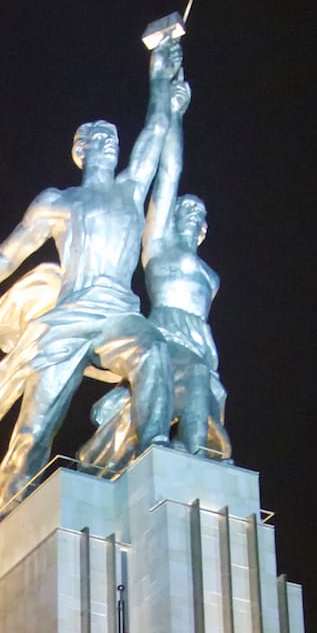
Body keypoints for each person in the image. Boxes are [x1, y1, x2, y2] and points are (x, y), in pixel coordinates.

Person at [0, 35, 181, 524]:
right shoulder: (57, 202)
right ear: (78, 152)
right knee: (35, 427)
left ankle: (155, 452)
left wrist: (161, 72)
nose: (105, 146)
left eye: (111, 141)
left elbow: (158, 127)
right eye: (93, 141)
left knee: (152, 350)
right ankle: (2, 519)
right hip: (68, 319)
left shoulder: (130, 189)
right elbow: (4, 255)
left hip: (117, 316)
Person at [79, 76, 231, 472]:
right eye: (186, 208)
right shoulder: (160, 246)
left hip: (200, 342)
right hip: (166, 333)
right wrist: (176, 114)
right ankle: (195, 461)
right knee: (195, 376)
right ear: (173, 216)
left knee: (204, 382)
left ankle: (195, 462)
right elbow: (170, 171)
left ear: (205, 228)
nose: (193, 214)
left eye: (200, 213)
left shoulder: (210, 275)